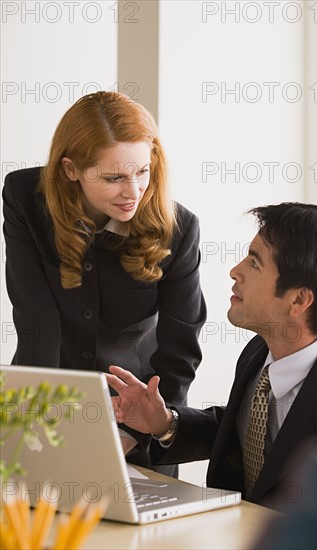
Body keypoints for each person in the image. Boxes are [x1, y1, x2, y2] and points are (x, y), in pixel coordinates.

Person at [106, 202, 317, 509]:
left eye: (254, 263)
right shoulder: (259, 352)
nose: (235, 271)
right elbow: (241, 432)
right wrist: (164, 423)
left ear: (298, 299)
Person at [2, 91, 207, 476]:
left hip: (135, 429)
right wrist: (31, 438)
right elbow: (37, 327)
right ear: (70, 169)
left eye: (142, 171)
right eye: (114, 178)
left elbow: (180, 350)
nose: (133, 192)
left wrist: (136, 435)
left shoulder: (180, 230)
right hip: (45, 413)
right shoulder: (24, 198)